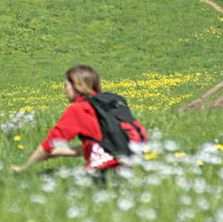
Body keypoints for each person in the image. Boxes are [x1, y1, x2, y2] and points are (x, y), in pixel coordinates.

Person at [12, 65, 145, 173]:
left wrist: (24, 168)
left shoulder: (80, 108)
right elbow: (105, 144)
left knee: (48, 177)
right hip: (131, 169)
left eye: (66, 85)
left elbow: (51, 143)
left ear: (76, 85)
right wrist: (61, 152)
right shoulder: (107, 104)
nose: (65, 91)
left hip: (103, 171)